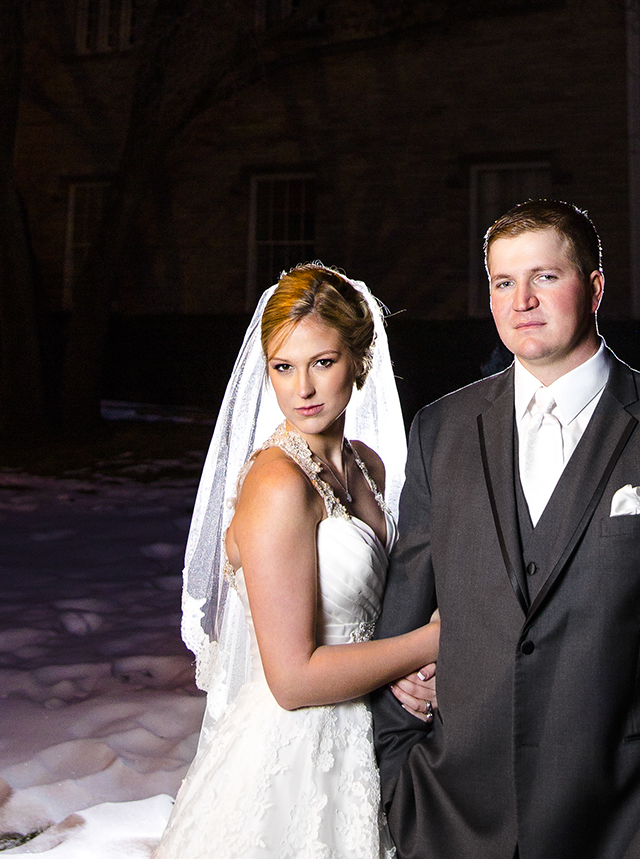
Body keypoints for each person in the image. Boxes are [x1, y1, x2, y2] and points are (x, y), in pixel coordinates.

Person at [372, 200, 640, 859]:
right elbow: (404, 614)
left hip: (629, 825)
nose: (521, 299)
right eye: (503, 282)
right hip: (453, 819)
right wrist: (399, 771)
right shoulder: (440, 429)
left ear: (595, 286)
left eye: (545, 277)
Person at [154, 263, 440, 859]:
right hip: (297, 748)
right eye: (283, 367)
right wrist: (432, 642)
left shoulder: (367, 464)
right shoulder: (277, 483)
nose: (302, 389)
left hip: (368, 731)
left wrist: (405, 673)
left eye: (323, 362)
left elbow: (372, 610)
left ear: (359, 361)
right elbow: (292, 681)